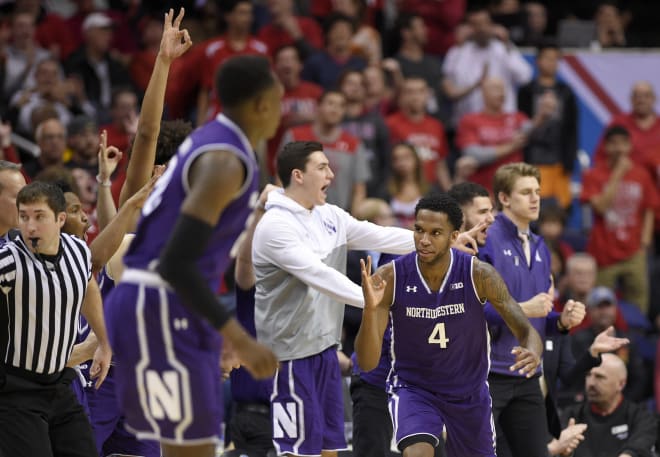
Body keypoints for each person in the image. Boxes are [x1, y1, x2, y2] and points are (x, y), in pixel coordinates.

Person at [103, 50, 281, 457]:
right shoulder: (224, 161)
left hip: (164, 305)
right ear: (261, 102)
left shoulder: (211, 139)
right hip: (159, 304)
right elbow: (176, 263)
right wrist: (239, 339)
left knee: (187, 447)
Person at [253, 140, 416, 457]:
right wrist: (374, 302)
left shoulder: (329, 215)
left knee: (330, 449)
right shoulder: (275, 226)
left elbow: (380, 234)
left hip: (326, 350)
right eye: (323, 167)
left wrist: (435, 242)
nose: (331, 173)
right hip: (289, 357)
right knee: (297, 452)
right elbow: (321, 276)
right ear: (298, 175)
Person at [355, 192, 543, 457]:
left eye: (435, 233)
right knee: (417, 452)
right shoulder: (391, 276)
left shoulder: (480, 274)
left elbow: (525, 330)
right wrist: (369, 310)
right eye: (419, 230)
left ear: (454, 236)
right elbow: (367, 362)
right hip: (414, 388)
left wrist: (533, 351)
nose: (423, 240)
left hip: (469, 391)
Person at [479, 162, 586, 457]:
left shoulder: (540, 247)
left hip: (528, 375)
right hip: (490, 375)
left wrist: (560, 322)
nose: (536, 198)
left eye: (537, 191)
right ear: (503, 198)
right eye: (526, 192)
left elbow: (538, 318)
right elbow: (475, 310)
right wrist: (525, 308)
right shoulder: (488, 241)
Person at [0, 181, 112, 457]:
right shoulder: (9, 260)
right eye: (24, 216)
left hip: (59, 385)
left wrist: (105, 341)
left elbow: (86, 287)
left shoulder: (78, 251)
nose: (30, 226)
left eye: (39, 217)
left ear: (60, 219)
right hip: (16, 392)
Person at [561, 353, 657, 457]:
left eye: (600, 377)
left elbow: (639, 447)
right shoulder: (571, 416)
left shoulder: (641, 417)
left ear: (621, 384)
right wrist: (564, 453)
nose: (591, 383)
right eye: (588, 375)